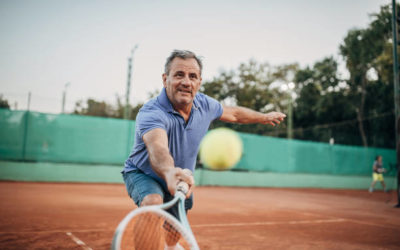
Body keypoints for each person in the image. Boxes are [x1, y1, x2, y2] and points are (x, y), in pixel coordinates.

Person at [122, 50, 286, 249]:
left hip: (181, 177)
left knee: (173, 234)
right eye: (179, 75)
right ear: (165, 79)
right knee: (153, 201)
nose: (186, 82)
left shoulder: (205, 104)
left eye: (192, 76)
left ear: (199, 82)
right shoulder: (152, 112)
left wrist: (263, 116)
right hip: (144, 173)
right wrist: (169, 172)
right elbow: (158, 147)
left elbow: (234, 114)